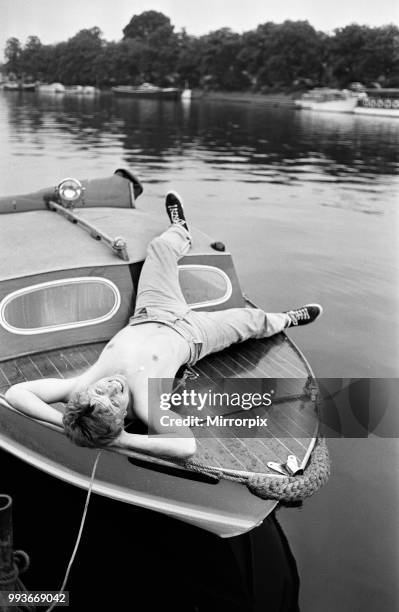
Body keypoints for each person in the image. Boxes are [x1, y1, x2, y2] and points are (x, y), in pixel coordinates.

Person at [5, 192, 323, 459]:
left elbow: (17, 393)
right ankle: (287, 319)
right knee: (248, 321)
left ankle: (180, 229)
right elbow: (185, 446)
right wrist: (120, 442)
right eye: (115, 401)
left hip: (150, 311)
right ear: (122, 421)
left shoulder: (79, 389)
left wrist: (66, 424)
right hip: (192, 334)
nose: (112, 387)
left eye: (101, 390)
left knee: (158, 250)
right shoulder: (146, 404)